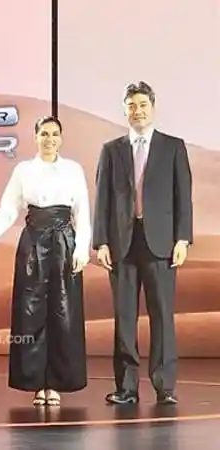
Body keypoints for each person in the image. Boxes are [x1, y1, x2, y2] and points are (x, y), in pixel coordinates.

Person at [0, 116, 90, 406]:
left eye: (54, 134)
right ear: (35, 137)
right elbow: (8, 210)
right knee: (31, 312)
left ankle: (56, 383)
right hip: (33, 243)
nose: (49, 139)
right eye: (44, 134)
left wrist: (82, 249)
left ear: (61, 138)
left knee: (63, 312)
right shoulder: (23, 170)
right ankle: (36, 384)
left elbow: (83, 212)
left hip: (64, 242)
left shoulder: (73, 169)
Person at [93, 81, 192, 405]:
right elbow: (102, 199)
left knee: (162, 316)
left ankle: (165, 387)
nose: (137, 111)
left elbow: (183, 197)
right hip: (121, 245)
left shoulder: (173, 147)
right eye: (132, 106)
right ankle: (127, 388)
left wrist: (182, 239)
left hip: (161, 244)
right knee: (124, 319)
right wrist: (101, 242)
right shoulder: (111, 150)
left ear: (153, 108)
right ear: (125, 110)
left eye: (143, 105)